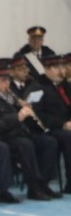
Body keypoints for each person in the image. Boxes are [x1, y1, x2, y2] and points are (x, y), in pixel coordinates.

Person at [0, 62, 59, 200]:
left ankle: (43, 182)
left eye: (8, 80)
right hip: (4, 136)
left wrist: (26, 110)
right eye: (3, 80)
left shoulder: (11, 96)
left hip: (19, 133)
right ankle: (33, 187)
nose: (7, 83)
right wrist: (18, 116)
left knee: (49, 142)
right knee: (25, 144)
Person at [32, 54, 71, 193]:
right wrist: (62, 124)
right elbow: (38, 114)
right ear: (47, 69)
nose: (61, 70)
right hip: (50, 128)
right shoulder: (38, 86)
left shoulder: (65, 85)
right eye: (56, 67)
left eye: (61, 66)